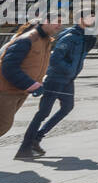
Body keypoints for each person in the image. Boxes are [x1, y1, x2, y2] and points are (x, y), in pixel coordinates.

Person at [15, 8, 92, 159]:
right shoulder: (70, 36)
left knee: (67, 107)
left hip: (68, 79)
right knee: (43, 113)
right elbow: (56, 58)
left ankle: (37, 137)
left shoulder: (82, 36)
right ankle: (25, 147)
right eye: (90, 17)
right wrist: (69, 69)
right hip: (57, 78)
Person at [1, 17, 60, 146]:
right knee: (3, 124)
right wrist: (30, 84)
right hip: (5, 90)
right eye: (57, 21)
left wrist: (37, 82)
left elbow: (34, 65)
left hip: (19, 91)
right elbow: (9, 67)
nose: (60, 26)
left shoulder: (45, 41)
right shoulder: (26, 39)